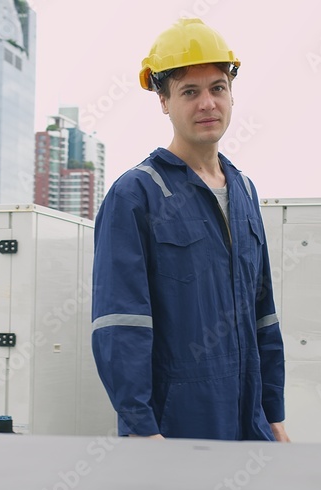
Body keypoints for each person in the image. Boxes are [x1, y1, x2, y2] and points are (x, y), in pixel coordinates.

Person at [91, 18, 288, 442]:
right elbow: (119, 323)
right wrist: (142, 430)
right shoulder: (136, 195)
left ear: (232, 93)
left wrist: (273, 414)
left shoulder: (245, 191)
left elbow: (264, 314)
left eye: (217, 88)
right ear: (163, 101)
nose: (207, 104)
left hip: (249, 420)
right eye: (189, 92)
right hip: (174, 427)